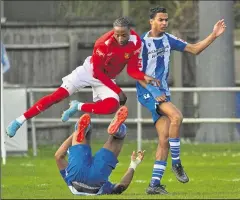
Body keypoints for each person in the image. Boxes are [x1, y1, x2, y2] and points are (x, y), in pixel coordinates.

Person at [6, 16, 158, 138]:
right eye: (116, 34)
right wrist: (117, 90)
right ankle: (19, 121)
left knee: (112, 106)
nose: (119, 38)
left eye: (123, 34)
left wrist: (144, 76)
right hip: (89, 71)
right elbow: (97, 73)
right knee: (57, 96)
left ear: (130, 32)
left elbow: (132, 69)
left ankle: (77, 106)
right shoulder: (102, 44)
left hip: (107, 79)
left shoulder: (137, 42)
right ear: (113, 31)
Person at [136, 6, 226, 194]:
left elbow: (194, 49)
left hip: (162, 93)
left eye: (166, 20)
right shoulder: (141, 43)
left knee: (164, 140)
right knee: (176, 116)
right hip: (147, 91)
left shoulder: (169, 40)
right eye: (160, 20)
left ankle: (154, 185)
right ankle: (176, 163)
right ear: (151, 21)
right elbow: (135, 73)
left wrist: (214, 35)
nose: (164, 23)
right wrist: (153, 90)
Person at [55, 106, 145, 196]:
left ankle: (117, 131)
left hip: (93, 178)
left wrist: (134, 164)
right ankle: (81, 129)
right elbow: (58, 156)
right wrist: (74, 136)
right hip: (76, 177)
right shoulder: (69, 181)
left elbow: (121, 187)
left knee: (118, 137)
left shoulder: (106, 188)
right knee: (81, 134)